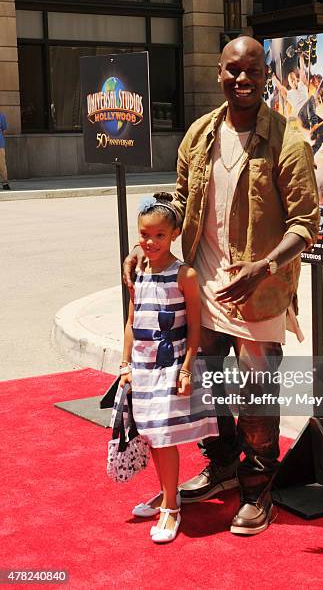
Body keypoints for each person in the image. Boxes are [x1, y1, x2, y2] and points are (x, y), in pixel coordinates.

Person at [124, 36, 320, 536]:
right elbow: (181, 202)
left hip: (261, 292)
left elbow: (305, 223)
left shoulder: (287, 141)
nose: (242, 79)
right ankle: (224, 463)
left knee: (256, 397)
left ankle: (258, 490)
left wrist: (265, 266)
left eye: (252, 70)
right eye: (233, 70)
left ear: (266, 74)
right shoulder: (199, 134)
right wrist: (147, 247)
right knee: (204, 391)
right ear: (219, 73)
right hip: (204, 288)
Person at [120, 192, 218, 544]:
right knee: (151, 434)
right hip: (143, 365)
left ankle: (171, 509)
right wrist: (125, 364)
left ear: (174, 233)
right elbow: (131, 320)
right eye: (145, 235)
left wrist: (188, 368)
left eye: (159, 235)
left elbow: (195, 326)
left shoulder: (185, 274)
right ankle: (167, 494)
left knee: (163, 436)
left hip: (172, 361)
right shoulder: (139, 271)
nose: (150, 242)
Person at [0, 111, 10, 190]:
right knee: (2, 164)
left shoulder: (1, 116)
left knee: (2, 164)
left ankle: (5, 183)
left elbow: (4, 130)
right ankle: (5, 183)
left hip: (0, 144)